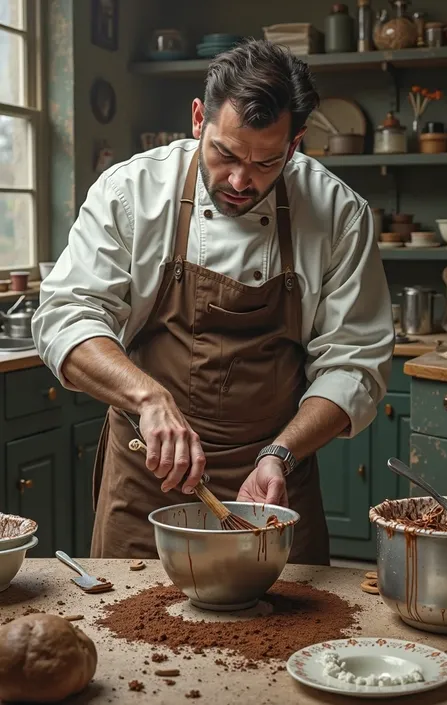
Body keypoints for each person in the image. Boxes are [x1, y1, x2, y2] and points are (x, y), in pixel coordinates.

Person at [32, 39, 394, 564]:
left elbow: (356, 365)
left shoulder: (338, 214)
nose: (241, 181)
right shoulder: (132, 192)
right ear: (199, 119)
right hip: (147, 479)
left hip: (272, 485)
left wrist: (278, 455)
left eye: (266, 162)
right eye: (225, 153)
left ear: (295, 146)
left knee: (287, 641)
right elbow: (66, 316)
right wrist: (148, 399)